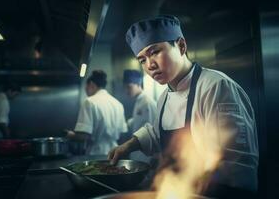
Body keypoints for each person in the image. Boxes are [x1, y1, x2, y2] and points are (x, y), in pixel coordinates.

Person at [108, 15, 259, 198]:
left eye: (155, 52)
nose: (150, 65)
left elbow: (233, 160)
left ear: (181, 46)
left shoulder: (215, 86)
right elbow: (158, 133)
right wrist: (130, 145)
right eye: (142, 60)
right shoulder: (164, 96)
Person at [67, 70, 128, 155]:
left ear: (91, 84)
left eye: (86, 88)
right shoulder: (118, 104)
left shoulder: (89, 102)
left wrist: (70, 135)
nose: (86, 92)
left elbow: (83, 136)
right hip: (115, 153)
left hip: (95, 153)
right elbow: (123, 134)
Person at [123, 69, 157, 162]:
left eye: (129, 87)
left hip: (146, 155)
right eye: (125, 87)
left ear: (138, 84)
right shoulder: (138, 101)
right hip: (137, 152)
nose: (127, 91)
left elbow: (153, 128)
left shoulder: (147, 102)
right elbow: (139, 121)